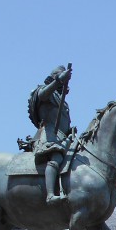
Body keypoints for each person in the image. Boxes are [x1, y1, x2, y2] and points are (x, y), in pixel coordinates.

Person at [27, 64, 74, 204]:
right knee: (56, 157)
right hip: (49, 134)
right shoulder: (43, 90)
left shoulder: (62, 101)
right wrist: (59, 80)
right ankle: (50, 195)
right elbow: (43, 95)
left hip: (62, 136)